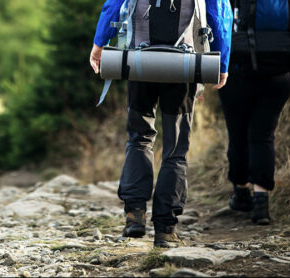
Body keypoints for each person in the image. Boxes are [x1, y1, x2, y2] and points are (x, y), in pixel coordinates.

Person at [89, 0, 232, 247]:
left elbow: (113, 5)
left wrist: (99, 43)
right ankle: (165, 228)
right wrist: (223, 59)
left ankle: (135, 214)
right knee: (175, 150)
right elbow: (219, 14)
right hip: (184, 65)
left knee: (139, 138)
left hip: (139, 60)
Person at [219, 0, 290, 225]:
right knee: (263, 136)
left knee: (238, 134)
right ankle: (261, 204)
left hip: (238, 70)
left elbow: (219, 22)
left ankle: (242, 194)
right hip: (280, 73)